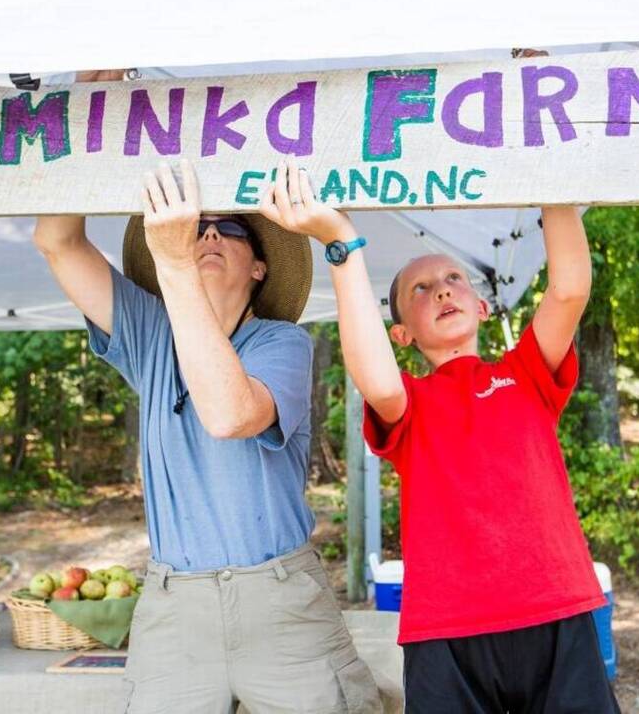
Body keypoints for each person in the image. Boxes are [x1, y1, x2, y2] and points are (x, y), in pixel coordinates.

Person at [33, 73, 380, 713]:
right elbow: (57, 241)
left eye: (231, 229)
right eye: (199, 227)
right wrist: (84, 105)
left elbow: (230, 413)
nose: (210, 235)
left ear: (261, 266)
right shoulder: (148, 329)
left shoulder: (282, 343)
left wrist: (172, 263)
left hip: (281, 599)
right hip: (174, 604)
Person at [260, 155, 620, 713]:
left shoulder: (524, 373)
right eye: (421, 289)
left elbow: (569, 291)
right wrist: (342, 244)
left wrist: (551, 172)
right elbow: (374, 378)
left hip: (557, 611)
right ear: (401, 332)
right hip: (446, 632)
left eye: (454, 279)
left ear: (480, 304)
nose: (443, 290)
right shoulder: (409, 402)